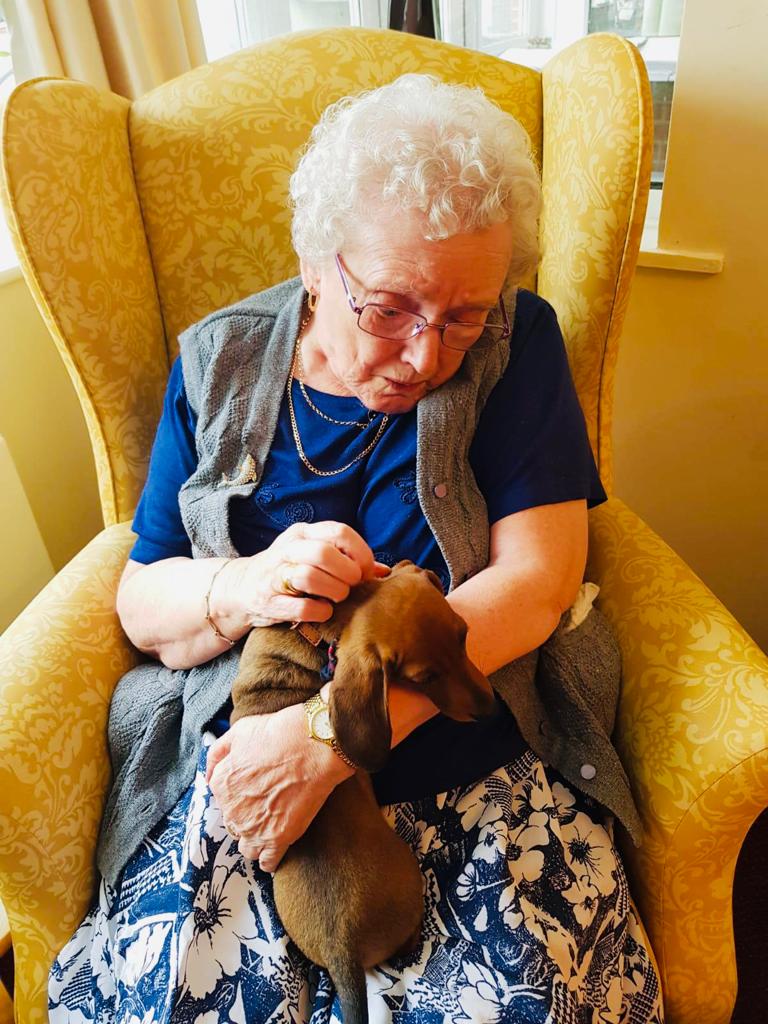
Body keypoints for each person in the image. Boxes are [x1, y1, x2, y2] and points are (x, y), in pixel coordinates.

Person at [48, 74, 663, 1023]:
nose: (426, 355)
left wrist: (326, 741)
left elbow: (539, 581)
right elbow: (143, 602)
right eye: (389, 306)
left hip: (468, 776)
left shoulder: (515, 340)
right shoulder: (217, 360)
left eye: (461, 315)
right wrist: (247, 584)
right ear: (314, 261)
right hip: (248, 783)